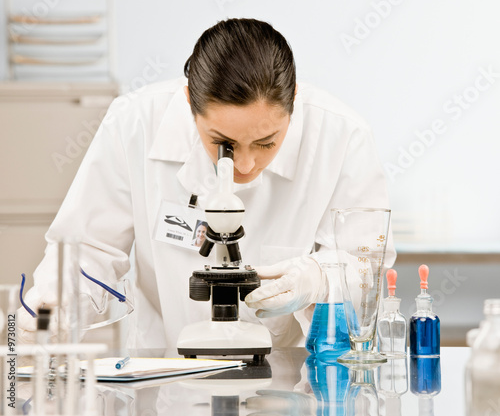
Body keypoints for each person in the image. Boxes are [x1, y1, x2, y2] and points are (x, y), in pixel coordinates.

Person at [18, 18, 395, 348]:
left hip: (290, 380)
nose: (245, 165)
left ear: (294, 99)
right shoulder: (134, 123)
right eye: (223, 144)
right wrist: (49, 314)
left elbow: (367, 265)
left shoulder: (342, 137)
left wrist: (319, 278)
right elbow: (88, 251)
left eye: (266, 143)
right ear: (189, 102)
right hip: (165, 374)